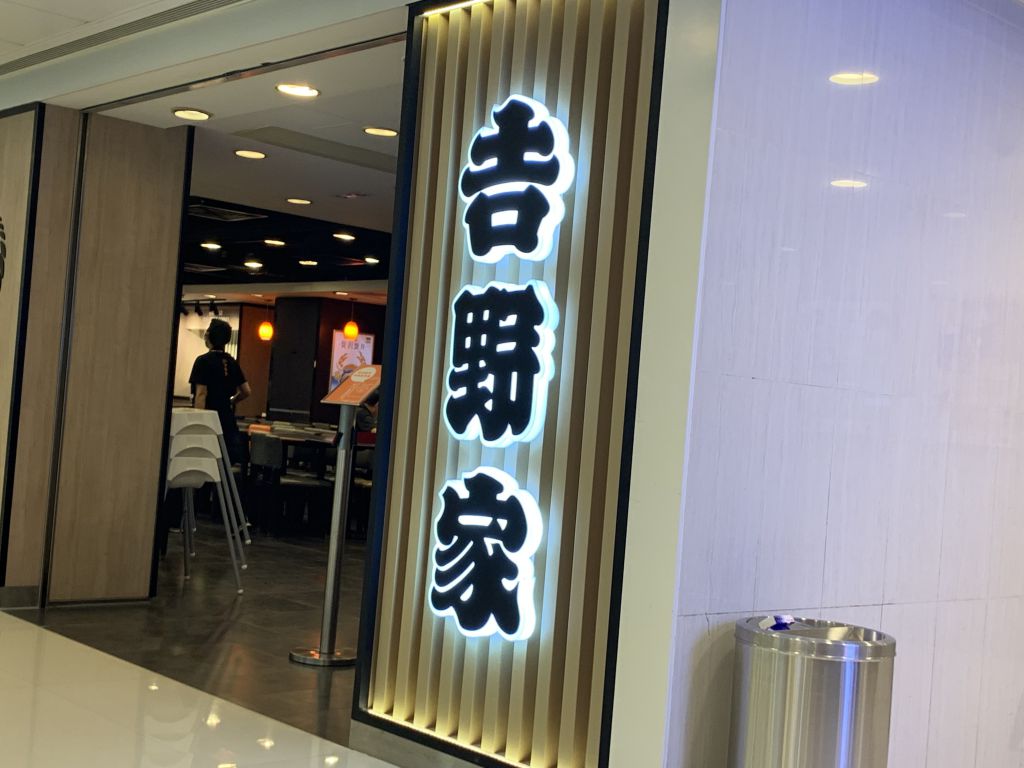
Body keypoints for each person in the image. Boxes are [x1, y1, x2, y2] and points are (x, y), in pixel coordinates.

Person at [189, 318, 250, 463]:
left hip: (209, 420)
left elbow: (201, 394)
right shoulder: (232, 362)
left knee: (206, 461)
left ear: (209, 336)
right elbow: (246, 391)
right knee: (225, 462)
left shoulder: (202, 361)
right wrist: (232, 401)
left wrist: (198, 422)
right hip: (227, 420)